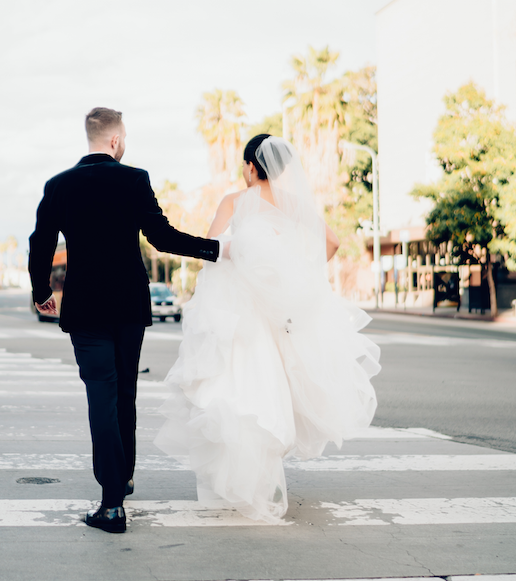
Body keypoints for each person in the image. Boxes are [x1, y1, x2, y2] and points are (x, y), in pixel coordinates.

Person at [156, 135, 381, 524]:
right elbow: (332, 242)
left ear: (251, 167)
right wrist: (300, 275)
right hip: (278, 314)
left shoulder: (234, 202)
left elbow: (212, 249)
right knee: (269, 390)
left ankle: (232, 482)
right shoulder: (294, 205)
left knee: (235, 388)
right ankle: (259, 480)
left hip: (239, 312)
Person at [29, 107, 223, 534]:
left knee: (102, 396)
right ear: (115, 141)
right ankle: (124, 476)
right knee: (126, 394)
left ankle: (112, 503)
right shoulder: (135, 179)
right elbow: (162, 235)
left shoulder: (59, 186)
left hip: (85, 309)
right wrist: (214, 250)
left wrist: (41, 291)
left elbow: (40, 242)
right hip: (128, 307)